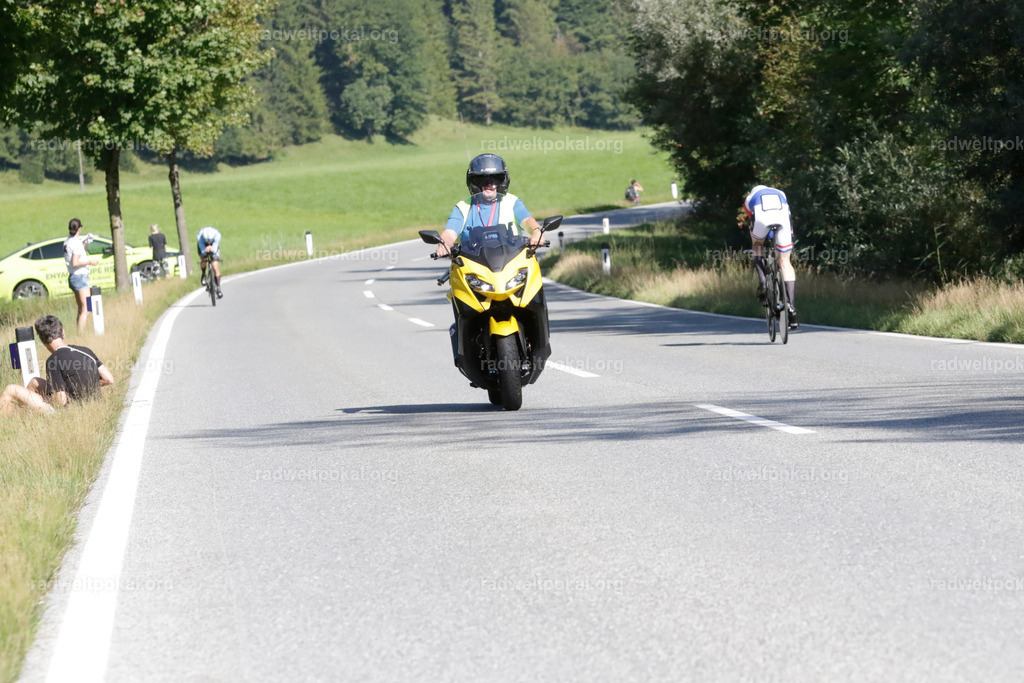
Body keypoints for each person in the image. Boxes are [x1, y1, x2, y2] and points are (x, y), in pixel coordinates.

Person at [434, 154, 545, 258]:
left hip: (512, 261)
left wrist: (536, 232)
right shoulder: (463, 207)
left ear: (503, 181)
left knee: (532, 275)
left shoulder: (512, 202)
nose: (489, 185)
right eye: (482, 179)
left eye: (495, 179)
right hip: (471, 264)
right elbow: (450, 232)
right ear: (473, 183)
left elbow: (527, 220)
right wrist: (445, 245)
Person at [0, 315, 114, 416]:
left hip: (69, 412)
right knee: (35, 381)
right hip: (92, 403)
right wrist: (85, 388)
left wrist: (43, 400)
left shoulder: (53, 360)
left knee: (11, 389)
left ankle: (7, 420)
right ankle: (23, 417)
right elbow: (109, 379)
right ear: (63, 332)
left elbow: (60, 401)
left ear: (41, 340)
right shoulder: (85, 350)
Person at [740, 184, 798, 329]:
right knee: (785, 261)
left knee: (757, 245)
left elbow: (752, 221)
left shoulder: (749, 199)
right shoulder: (781, 193)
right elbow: (788, 213)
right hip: (782, 218)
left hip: (762, 217)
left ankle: (762, 281)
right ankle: (791, 305)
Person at [64, 218, 101, 333]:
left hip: (74, 277)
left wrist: (86, 242)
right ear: (79, 228)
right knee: (87, 308)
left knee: (81, 308)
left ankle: (79, 331)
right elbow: (75, 262)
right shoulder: (75, 243)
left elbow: (81, 252)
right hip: (80, 277)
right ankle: (81, 334)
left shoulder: (68, 241)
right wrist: (90, 262)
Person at [196, 226, 223, 298]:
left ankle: (218, 288)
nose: (208, 242)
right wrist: (205, 251)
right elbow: (202, 250)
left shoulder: (217, 236)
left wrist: (212, 249)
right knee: (204, 259)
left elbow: (215, 248)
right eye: (207, 241)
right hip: (203, 245)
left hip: (214, 245)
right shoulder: (200, 237)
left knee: (215, 266)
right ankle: (203, 274)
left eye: (210, 241)